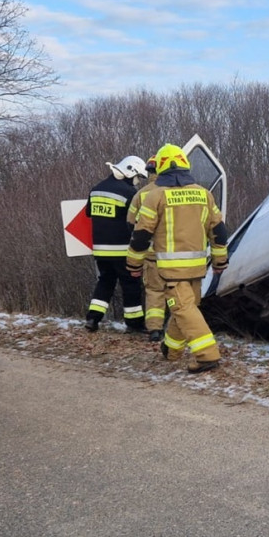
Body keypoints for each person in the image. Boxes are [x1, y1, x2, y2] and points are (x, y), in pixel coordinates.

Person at [127, 143, 229, 373]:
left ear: (160, 168)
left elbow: (140, 236)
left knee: (183, 309)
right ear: (185, 165)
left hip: (171, 271)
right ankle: (171, 350)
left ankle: (206, 355)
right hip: (197, 268)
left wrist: (133, 264)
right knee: (185, 307)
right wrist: (220, 261)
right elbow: (219, 232)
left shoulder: (155, 196)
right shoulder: (204, 194)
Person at [84, 155, 148, 333]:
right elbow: (136, 220)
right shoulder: (129, 193)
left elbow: (89, 213)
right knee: (131, 284)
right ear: (130, 171)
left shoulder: (96, 189)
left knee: (105, 282)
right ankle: (134, 324)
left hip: (100, 250)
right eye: (137, 177)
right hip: (121, 249)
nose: (137, 181)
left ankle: (92, 318)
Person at [127, 160, 168, 342]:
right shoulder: (176, 191)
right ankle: (180, 329)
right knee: (179, 293)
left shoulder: (141, 194)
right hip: (176, 253)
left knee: (154, 292)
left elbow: (130, 223)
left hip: (151, 253)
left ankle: (154, 330)